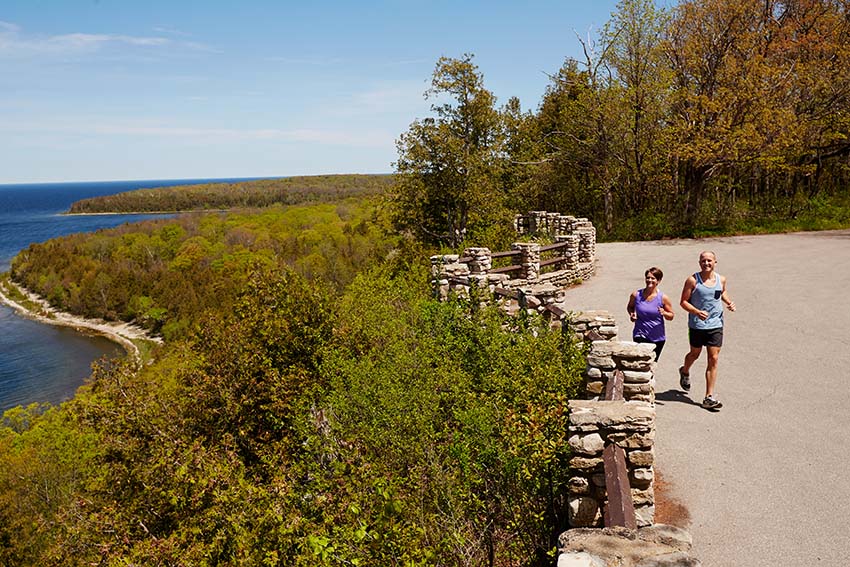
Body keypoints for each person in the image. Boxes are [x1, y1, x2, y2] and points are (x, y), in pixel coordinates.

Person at [678, 251, 736, 411]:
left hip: (716, 324)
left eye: (709, 260)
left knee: (713, 359)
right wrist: (696, 312)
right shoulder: (692, 280)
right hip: (697, 325)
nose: (706, 263)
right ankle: (684, 371)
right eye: (703, 261)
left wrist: (729, 302)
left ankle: (708, 397)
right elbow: (683, 302)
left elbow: (721, 292)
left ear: (715, 262)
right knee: (694, 354)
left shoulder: (721, 279)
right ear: (699, 263)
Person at [627, 267, 675, 360]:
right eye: (648, 278)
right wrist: (632, 314)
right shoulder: (636, 295)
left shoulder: (663, 298)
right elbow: (630, 306)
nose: (650, 280)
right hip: (640, 333)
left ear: (658, 281)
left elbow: (671, 316)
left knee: (652, 364)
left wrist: (664, 312)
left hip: (657, 337)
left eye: (653, 278)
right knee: (641, 362)